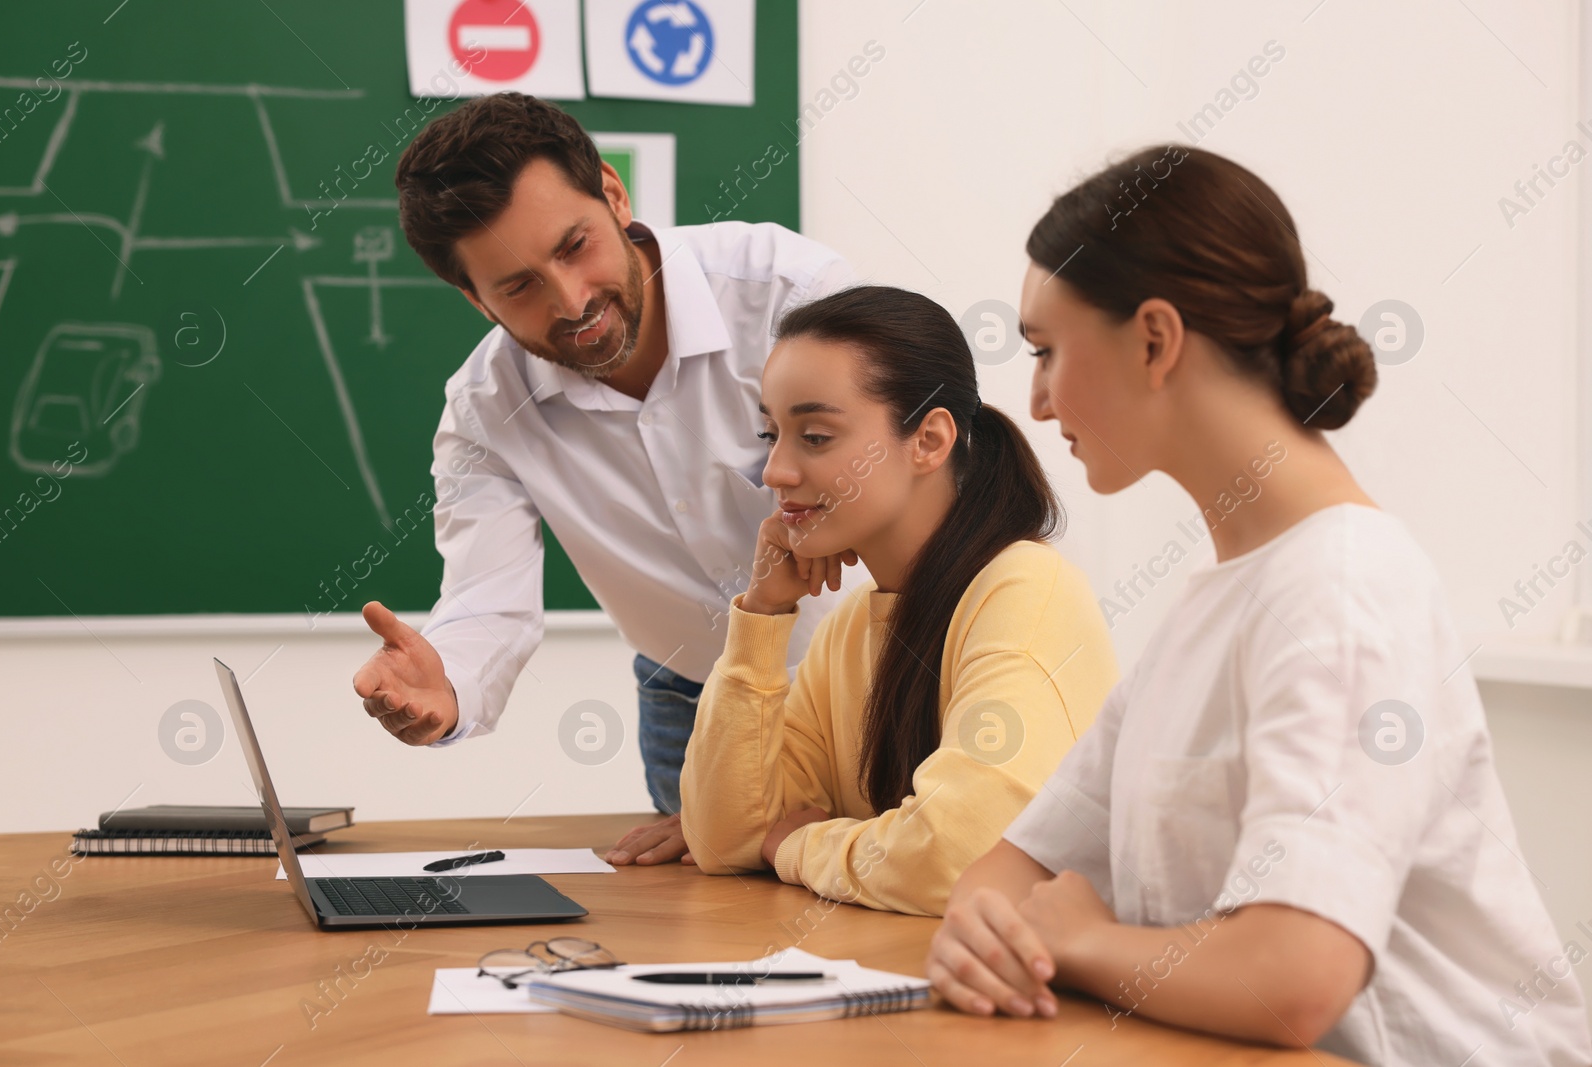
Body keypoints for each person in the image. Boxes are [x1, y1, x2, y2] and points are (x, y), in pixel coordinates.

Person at [925, 145, 1592, 1064]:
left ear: (1155, 339)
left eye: (1046, 351)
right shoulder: (1215, 600)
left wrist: (1076, 940)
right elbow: (1000, 882)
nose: (1034, 402)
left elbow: (1292, 980)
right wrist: (996, 935)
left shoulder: (1345, 588)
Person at [349, 93, 862, 864]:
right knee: (716, 939)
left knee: (894, 910)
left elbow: (921, 482)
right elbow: (486, 601)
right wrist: (444, 685)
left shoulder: (792, 293)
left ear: (615, 196)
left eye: (575, 245)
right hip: (694, 702)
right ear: (474, 300)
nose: (573, 299)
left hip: (869, 675)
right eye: (517, 287)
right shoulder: (485, 410)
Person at [677, 285, 1118, 916]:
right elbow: (726, 840)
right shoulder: (853, 626)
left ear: (930, 441)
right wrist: (764, 614)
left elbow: (960, 859)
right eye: (771, 433)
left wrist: (802, 847)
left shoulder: (1026, 590)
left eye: (816, 435)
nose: (775, 470)